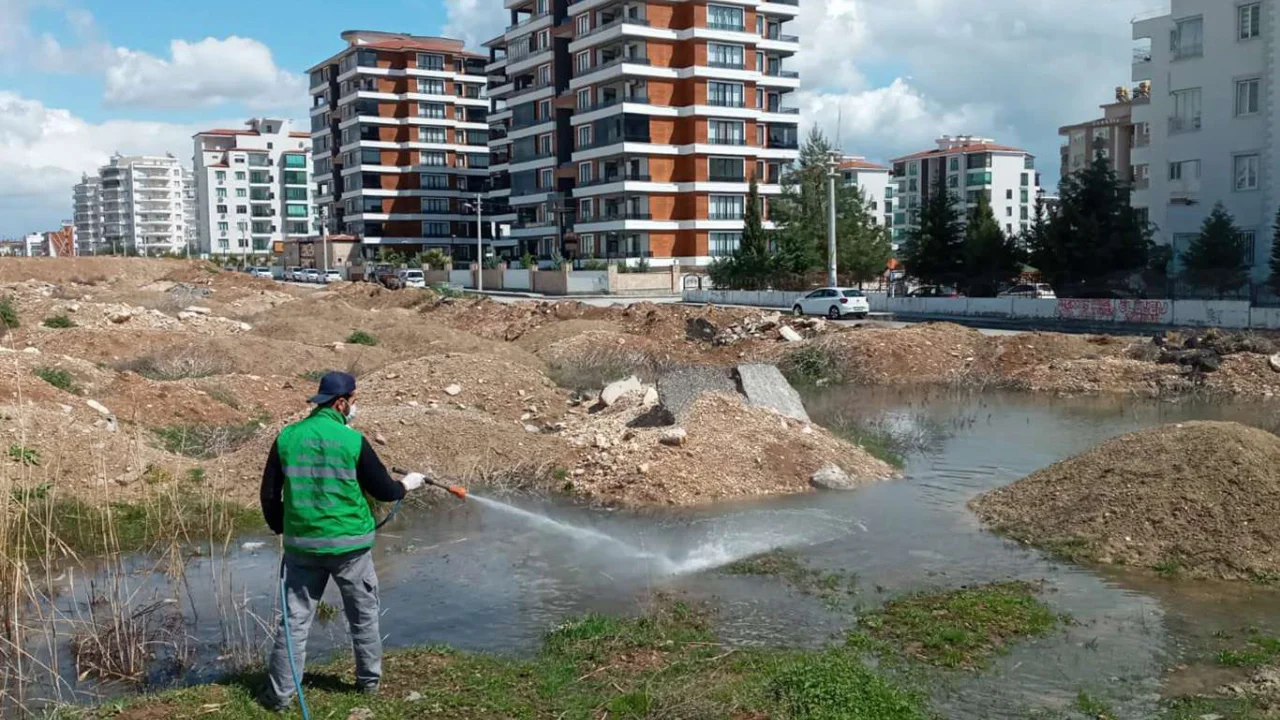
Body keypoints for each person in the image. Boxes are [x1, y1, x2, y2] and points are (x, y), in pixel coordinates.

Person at [259, 371, 425, 711]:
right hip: (351, 549)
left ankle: (278, 698)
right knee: (363, 615)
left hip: (302, 547)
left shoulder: (287, 438)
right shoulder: (352, 441)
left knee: (294, 622)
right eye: (353, 401)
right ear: (340, 403)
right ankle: (368, 684)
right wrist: (407, 484)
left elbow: (269, 494)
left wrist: (282, 528)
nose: (354, 408)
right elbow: (384, 490)